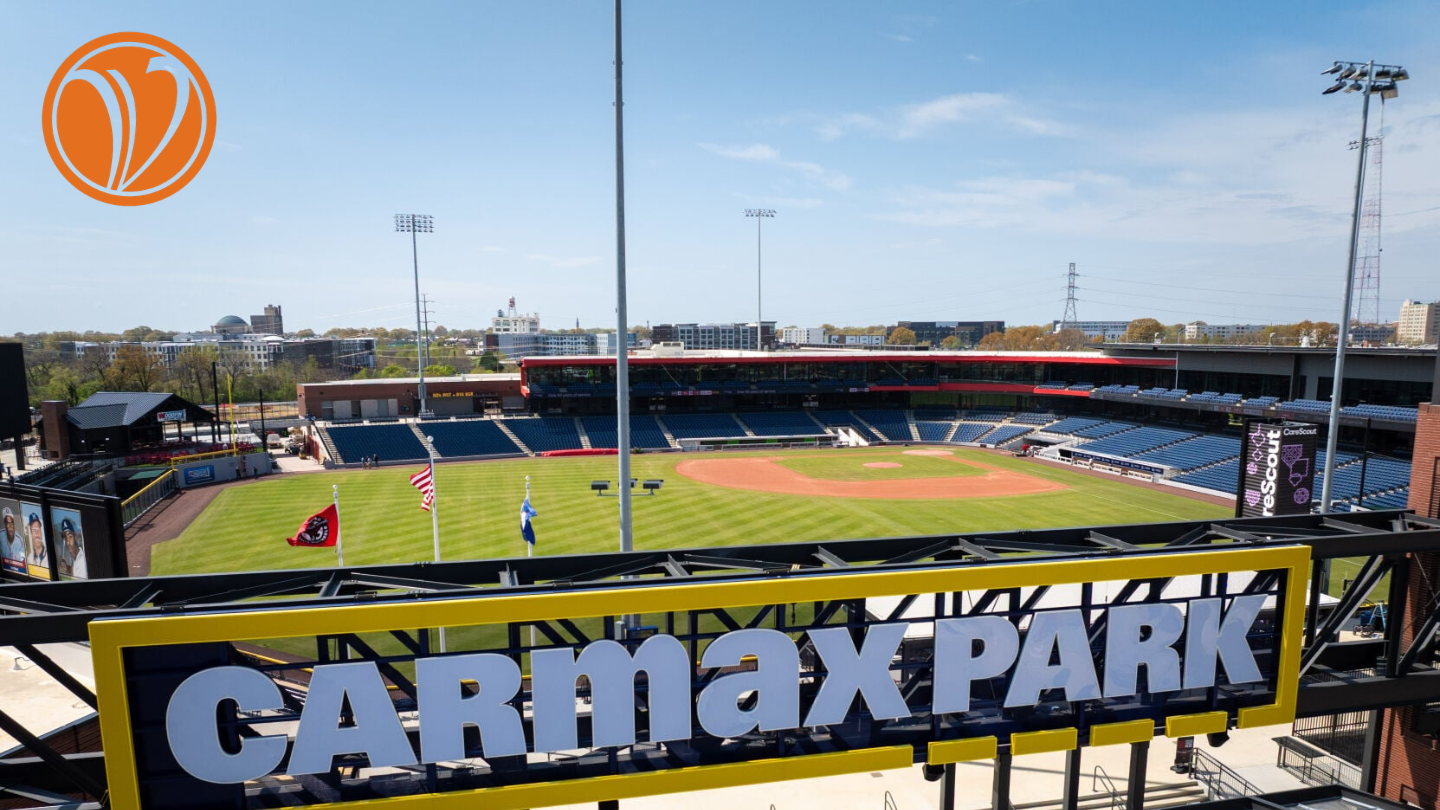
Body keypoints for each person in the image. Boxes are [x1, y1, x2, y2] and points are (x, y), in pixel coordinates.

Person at [1, 508, 24, 573]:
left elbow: (22, 564)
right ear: (5, 525)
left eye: (12, 523)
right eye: (8, 523)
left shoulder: (20, 541)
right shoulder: (1, 535)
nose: (10, 526)